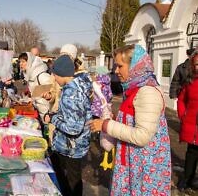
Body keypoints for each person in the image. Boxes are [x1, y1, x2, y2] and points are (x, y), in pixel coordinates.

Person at [88, 44, 171, 195]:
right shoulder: (134, 88)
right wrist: (113, 119)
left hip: (144, 168)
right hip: (133, 162)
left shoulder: (147, 92)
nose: (116, 71)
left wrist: (107, 125)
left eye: (120, 66)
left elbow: (142, 136)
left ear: (135, 66)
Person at [44, 55, 92, 196]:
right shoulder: (77, 86)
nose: (53, 77)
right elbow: (69, 115)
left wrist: (52, 119)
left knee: (71, 182)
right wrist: (56, 115)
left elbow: (72, 128)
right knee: (72, 178)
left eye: (54, 74)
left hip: (71, 147)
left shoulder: (71, 94)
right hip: (74, 145)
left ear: (62, 73)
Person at [177, 50, 198, 191]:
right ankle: (187, 179)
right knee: (191, 154)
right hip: (192, 125)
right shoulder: (190, 82)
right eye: (196, 64)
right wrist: (182, 115)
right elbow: (181, 100)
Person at [18, 52, 51, 120]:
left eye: (23, 61)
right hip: (38, 113)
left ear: (30, 62)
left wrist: (49, 114)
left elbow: (54, 93)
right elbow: (37, 95)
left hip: (47, 115)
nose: (20, 64)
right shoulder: (30, 77)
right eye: (20, 62)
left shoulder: (42, 76)